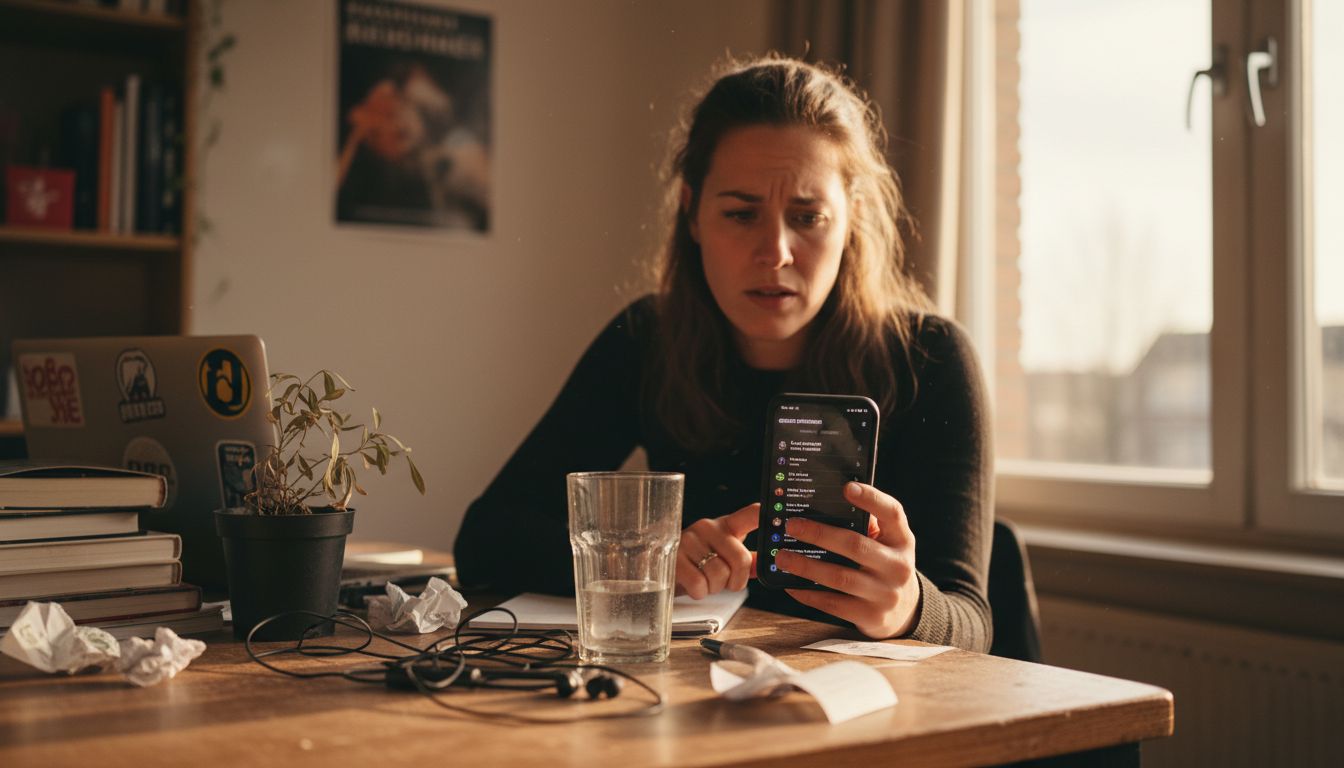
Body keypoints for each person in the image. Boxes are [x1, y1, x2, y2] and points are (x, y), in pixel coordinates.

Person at [454, 55, 992, 651]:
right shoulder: (647, 340)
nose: (775, 251)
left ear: (852, 219)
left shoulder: (931, 359)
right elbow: (486, 539)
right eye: (740, 214)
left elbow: (972, 621)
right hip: (692, 687)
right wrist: (655, 559)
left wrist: (910, 607)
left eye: (808, 217)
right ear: (692, 212)